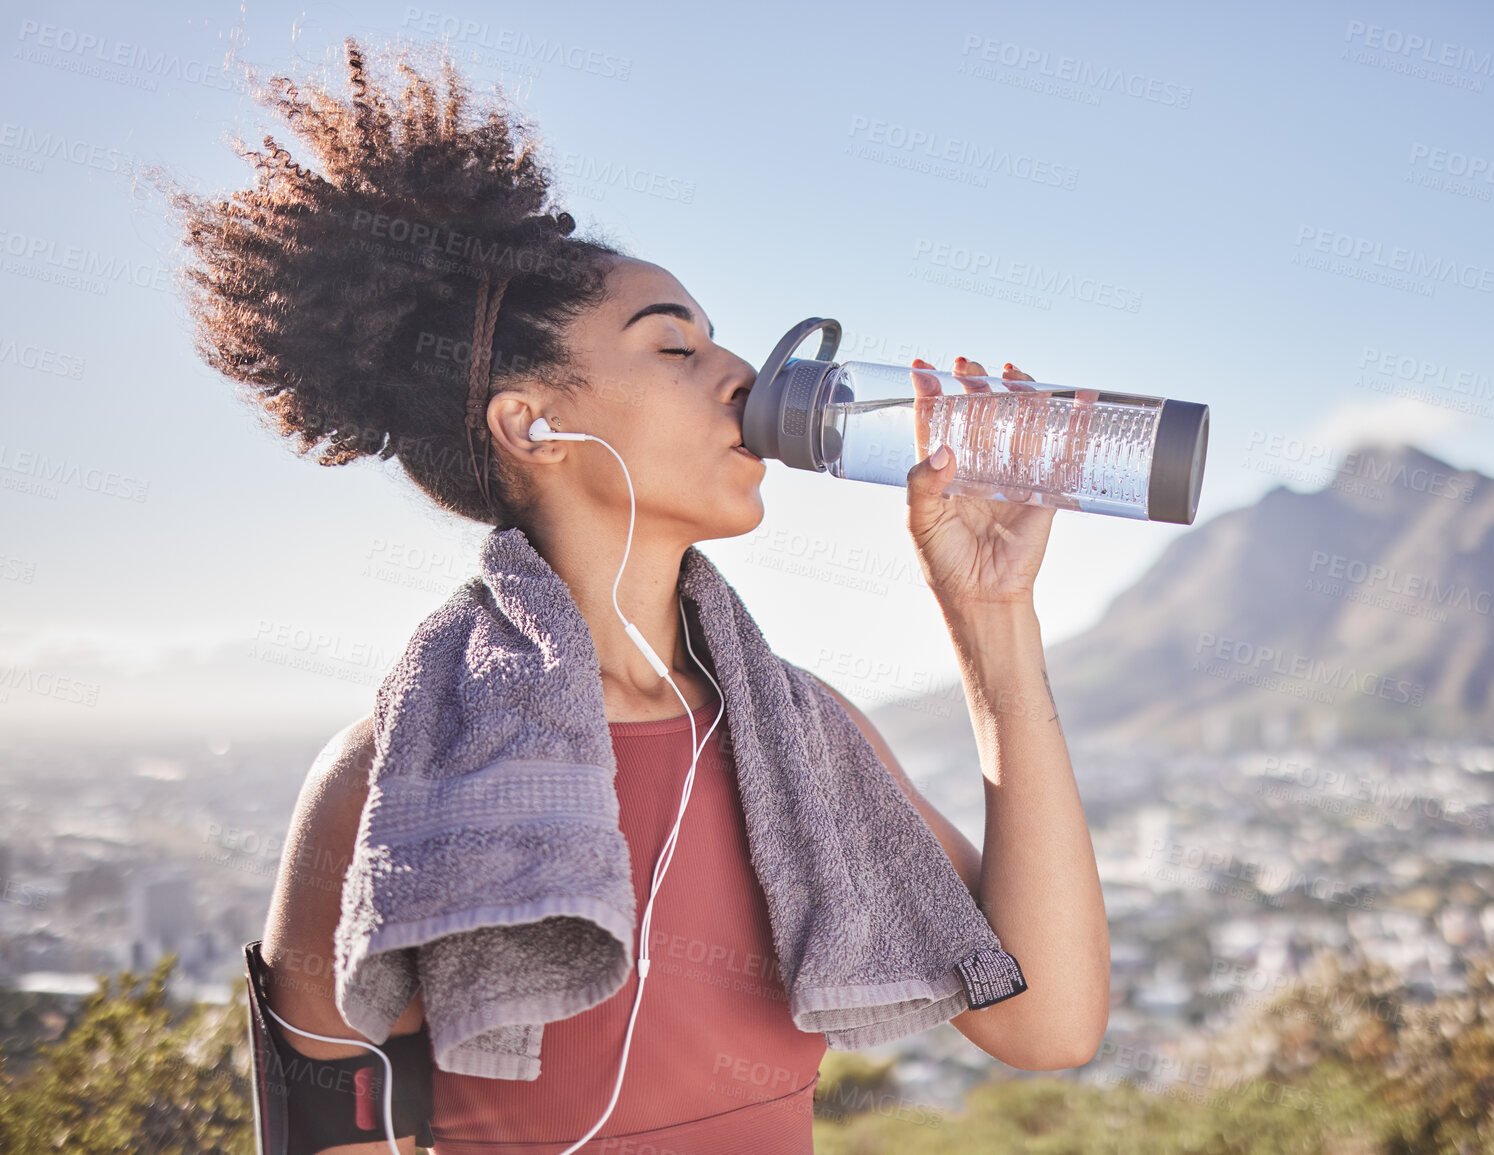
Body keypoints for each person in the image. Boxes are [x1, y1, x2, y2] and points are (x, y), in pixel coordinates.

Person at [171, 40, 1109, 1154]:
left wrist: (993, 618)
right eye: (674, 346)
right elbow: (326, 1132)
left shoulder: (804, 744)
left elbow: (1047, 1028)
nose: (743, 377)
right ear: (530, 424)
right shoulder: (394, 776)